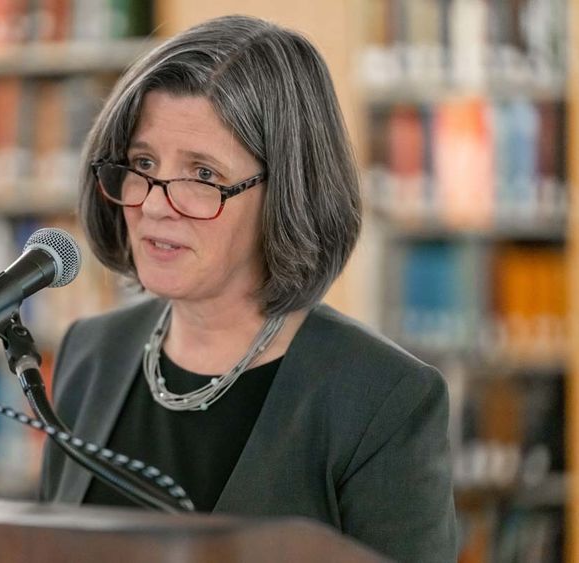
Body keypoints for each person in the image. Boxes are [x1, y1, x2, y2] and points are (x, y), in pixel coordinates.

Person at [39, 14, 456, 562]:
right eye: (143, 163)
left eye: (204, 175)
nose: (155, 205)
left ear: (288, 191)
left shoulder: (384, 399)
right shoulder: (89, 353)